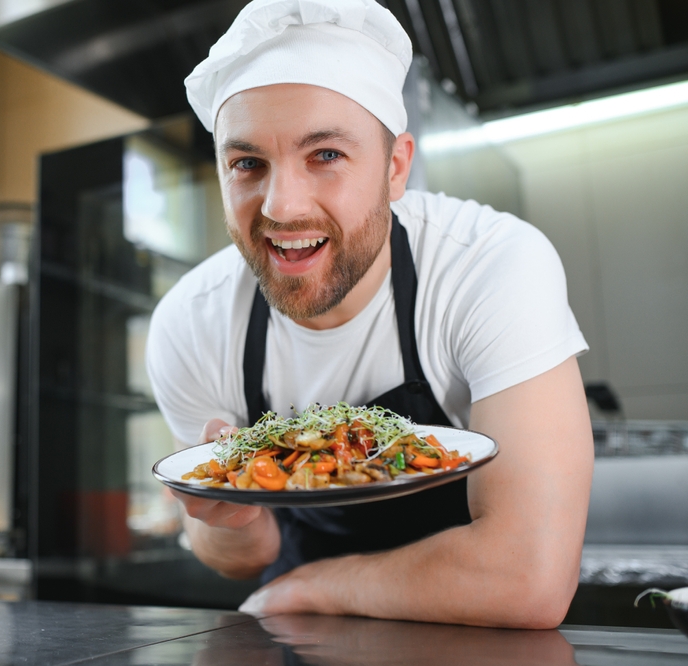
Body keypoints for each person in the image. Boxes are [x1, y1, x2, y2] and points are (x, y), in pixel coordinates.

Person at [144, 0, 594, 629]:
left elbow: (528, 579)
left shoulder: (488, 266)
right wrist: (233, 512)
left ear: (395, 168)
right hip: (298, 638)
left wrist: (315, 589)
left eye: (325, 154)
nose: (281, 206)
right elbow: (241, 560)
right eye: (247, 164)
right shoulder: (190, 325)